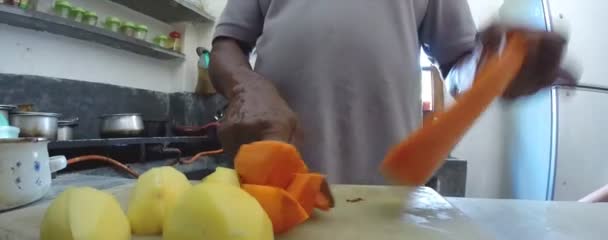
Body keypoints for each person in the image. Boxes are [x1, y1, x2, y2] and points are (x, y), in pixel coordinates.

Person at [210, 0, 571, 184]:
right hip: (275, 179)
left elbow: (460, 63)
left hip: (387, 194)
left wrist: (497, 68)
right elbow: (226, 44)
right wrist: (247, 87)